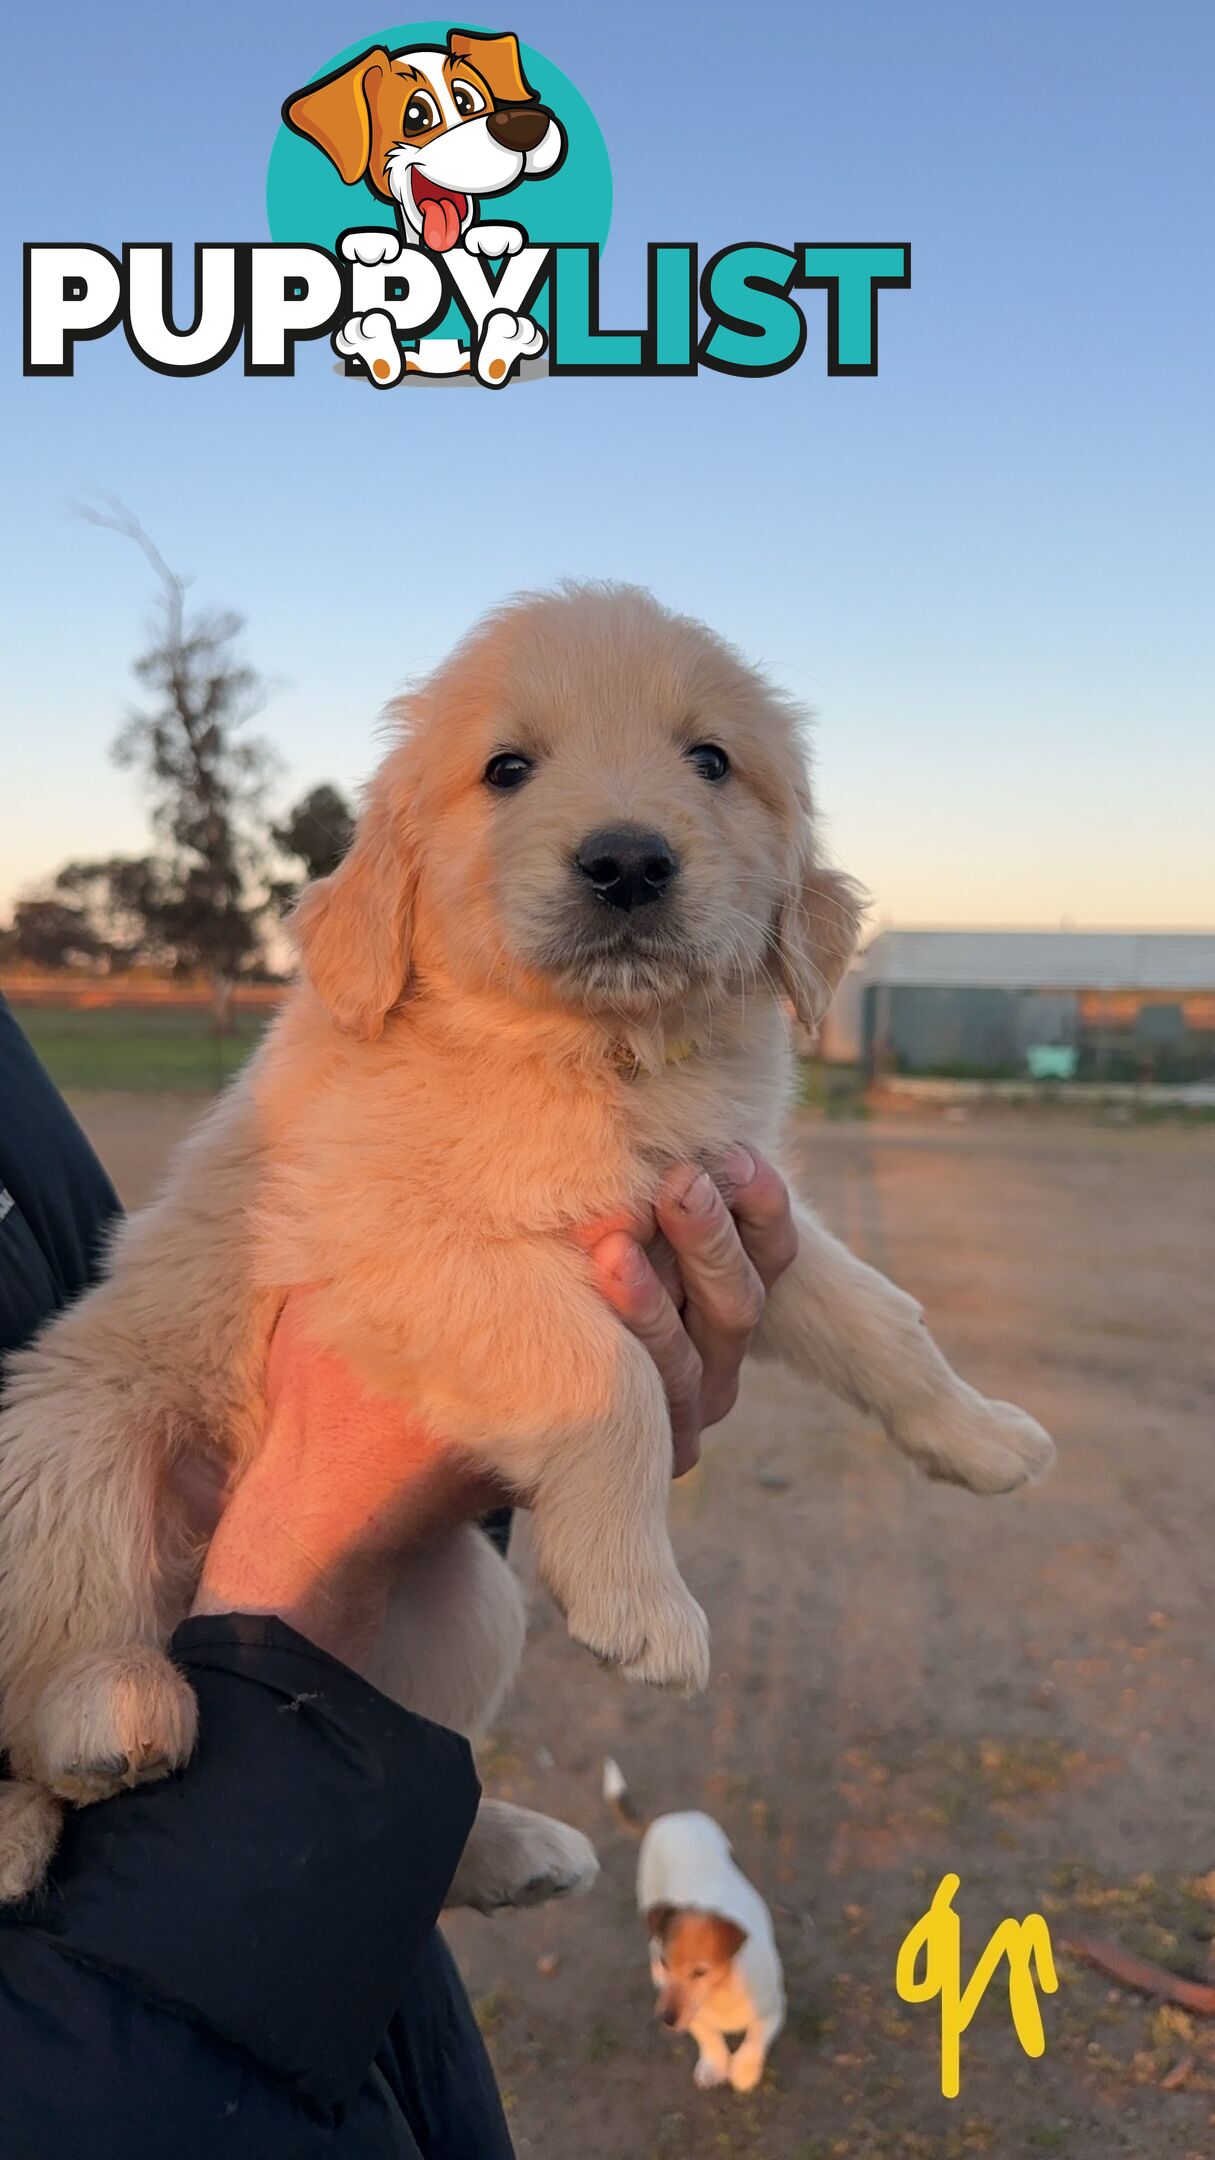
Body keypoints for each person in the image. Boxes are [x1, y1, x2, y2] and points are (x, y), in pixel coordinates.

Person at [0, 993, 798, 2158]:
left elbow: (154, 1303)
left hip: (332, 1960)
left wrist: (471, 1437)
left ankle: (427, 1820)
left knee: (476, 1606)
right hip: (170, 1991)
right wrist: (306, 1576)